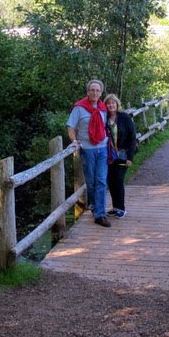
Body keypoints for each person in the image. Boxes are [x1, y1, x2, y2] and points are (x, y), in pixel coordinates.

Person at [67, 79, 111, 227]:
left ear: (101, 93)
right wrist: (74, 141)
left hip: (102, 148)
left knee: (101, 180)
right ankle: (94, 205)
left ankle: (100, 214)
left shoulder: (103, 108)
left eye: (98, 90)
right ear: (87, 92)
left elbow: (107, 126)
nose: (95, 92)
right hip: (87, 149)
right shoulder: (79, 108)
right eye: (92, 90)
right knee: (91, 182)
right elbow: (71, 126)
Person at [104, 94, 137, 219]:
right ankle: (115, 207)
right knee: (111, 181)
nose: (111, 105)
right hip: (109, 155)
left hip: (123, 154)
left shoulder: (125, 117)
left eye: (113, 103)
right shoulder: (104, 118)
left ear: (117, 104)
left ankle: (121, 208)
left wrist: (130, 157)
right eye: (108, 103)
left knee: (118, 180)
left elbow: (132, 137)